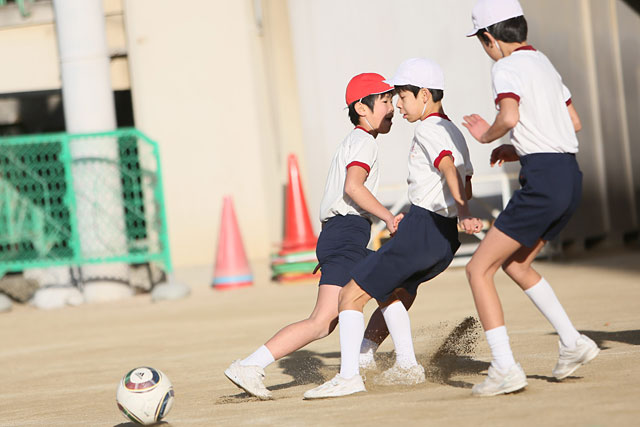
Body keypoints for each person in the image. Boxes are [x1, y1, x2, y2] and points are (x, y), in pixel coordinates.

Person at [304, 58, 482, 399]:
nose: (398, 105)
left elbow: (447, 168)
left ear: (424, 95)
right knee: (397, 292)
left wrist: (462, 210)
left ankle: (350, 376)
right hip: (445, 238)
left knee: (349, 295)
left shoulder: (428, 129)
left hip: (423, 226)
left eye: (402, 96)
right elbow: (465, 182)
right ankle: (398, 362)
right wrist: (461, 208)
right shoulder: (454, 132)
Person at [224, 73, 406, 400]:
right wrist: (389, 216)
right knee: (342, 312)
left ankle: (366, 359)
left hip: (341, 235)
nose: (391, 107)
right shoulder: (364, 142)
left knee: (340, 313)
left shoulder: (357, 140)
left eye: (392, 100)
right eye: (384, 100)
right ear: (361, 108)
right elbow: (353, 187)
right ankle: (253, 365)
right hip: (346, 234)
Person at [462, 0, 599, 397]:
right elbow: (573, 122)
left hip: (542, 182)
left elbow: (509, 117)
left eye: (482, 42)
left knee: (478, 270)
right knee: (518, 264)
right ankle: (572, 342)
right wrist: (520, 147)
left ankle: (504, 367)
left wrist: (486, 135)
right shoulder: (544, 63)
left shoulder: (505, 67)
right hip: (568, 176)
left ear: (489, 38)